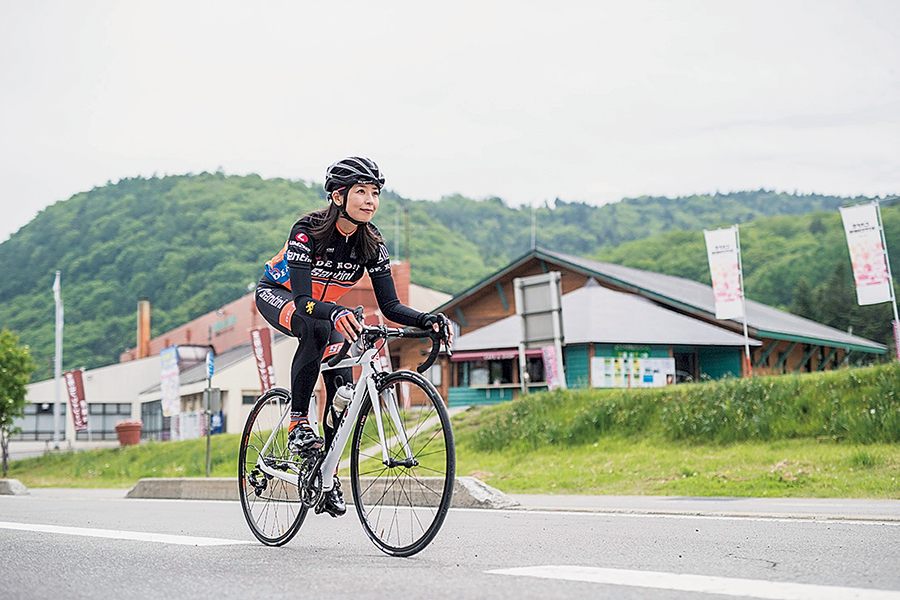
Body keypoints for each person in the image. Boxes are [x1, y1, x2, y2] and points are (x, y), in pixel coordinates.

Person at [255, 156, 450, 517]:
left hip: (328, 310)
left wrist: (427, 319)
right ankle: (298, 422)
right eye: (361, 191)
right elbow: (303, 301)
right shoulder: (308, 230)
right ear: (338, 196)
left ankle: (326, 476)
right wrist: (334, 312)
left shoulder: (371, 243)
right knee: (316, 327)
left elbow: (390, 306)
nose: (370, 200)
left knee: (342, 389)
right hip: (281, 296)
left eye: (375, 193)